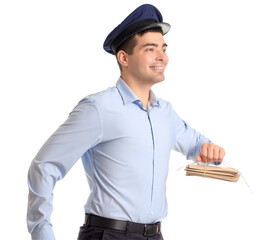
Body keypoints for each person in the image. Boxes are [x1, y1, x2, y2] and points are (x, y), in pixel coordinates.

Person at [27, 4, 225, 240]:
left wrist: (209, 150)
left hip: (155, 234)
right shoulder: (98, 108)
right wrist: (43, 234)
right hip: (109, 235)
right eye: (150, 49)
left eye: (163, 48)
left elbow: (197, 146)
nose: (162, 57)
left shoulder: (165, 113)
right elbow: (45, 165)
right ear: (124, 57)